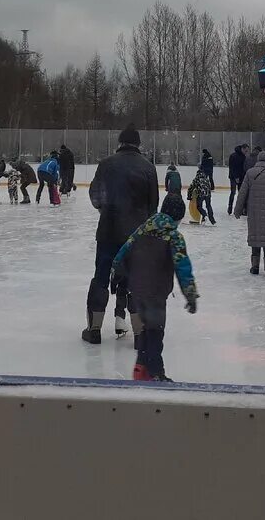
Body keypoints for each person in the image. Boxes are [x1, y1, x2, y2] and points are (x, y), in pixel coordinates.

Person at [83, 124, 159, 343]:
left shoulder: (106, 165)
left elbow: (95, 194)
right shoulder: (148, 167)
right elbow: (153, 205)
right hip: (137, 235)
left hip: (108, 231)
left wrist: (105, 210)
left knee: (101, 278)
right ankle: (139, 333)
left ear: (120, 142)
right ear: (138, 144)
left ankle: (94, 329)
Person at [112, 193, 198, 382]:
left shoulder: (143, 229)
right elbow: (182, 267)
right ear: (177, 217)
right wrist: (190, 295)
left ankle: (141, 368)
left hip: (137, 289)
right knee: (156, 332)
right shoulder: (174, 236)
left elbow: (124, 250)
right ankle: (156, 373)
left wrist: (116, 274)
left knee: (146, 329)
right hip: (156, 292)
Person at [234, 151, 265, 276]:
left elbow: (242, 193)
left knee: (256, 239)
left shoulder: (250, 173)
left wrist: (238, 210)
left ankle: (255, 266)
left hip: (254, 212)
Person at [227, 144, 248, 215]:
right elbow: (232, 167)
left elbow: (243, 168)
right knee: (233, 192)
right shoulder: (233, 156)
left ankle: (241, 209)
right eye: (245, 150)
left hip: (241, 178)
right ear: (242, 149)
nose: (246, 152)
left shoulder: (244, 157)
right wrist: (236, 177)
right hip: (233, 177)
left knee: (241, 194)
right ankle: (230, 208)